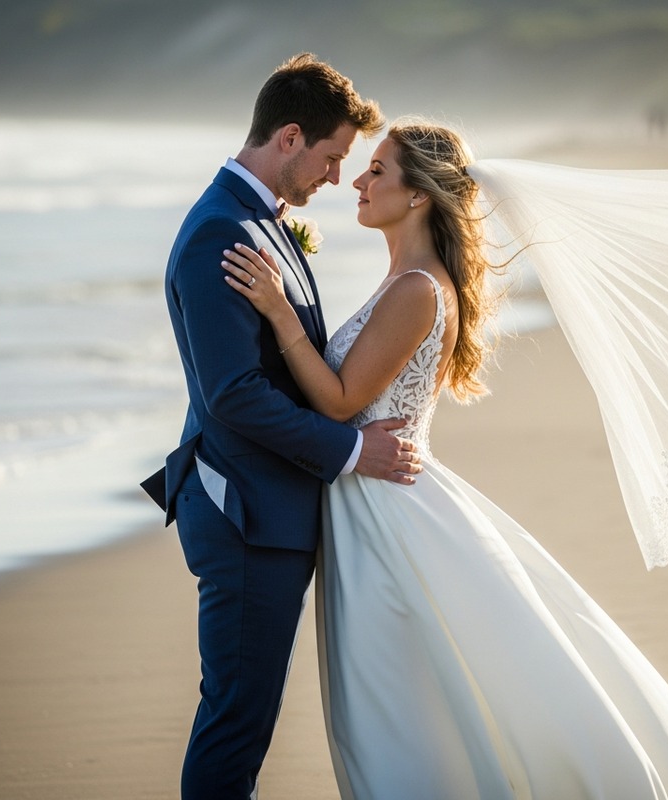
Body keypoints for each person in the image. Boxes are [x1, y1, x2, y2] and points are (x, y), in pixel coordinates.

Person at [223, 120, 668, 798]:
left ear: (417, 196)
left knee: (402, 710)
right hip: (375, 500)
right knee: (416, 700)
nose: (358, 181)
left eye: (377, 169)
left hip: (388, 513)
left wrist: (281, 313)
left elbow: (342, 403)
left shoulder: (415, 291)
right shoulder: (408, 281)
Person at [140, 54, 422, 800]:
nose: (337, 179)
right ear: (290, 138)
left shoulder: (265, 223)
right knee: (237, 720)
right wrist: (354, 450)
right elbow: (232, 395)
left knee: (248, 719)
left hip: (270, 508)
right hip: (243, 513)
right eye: (333, 158)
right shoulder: (219, 233)